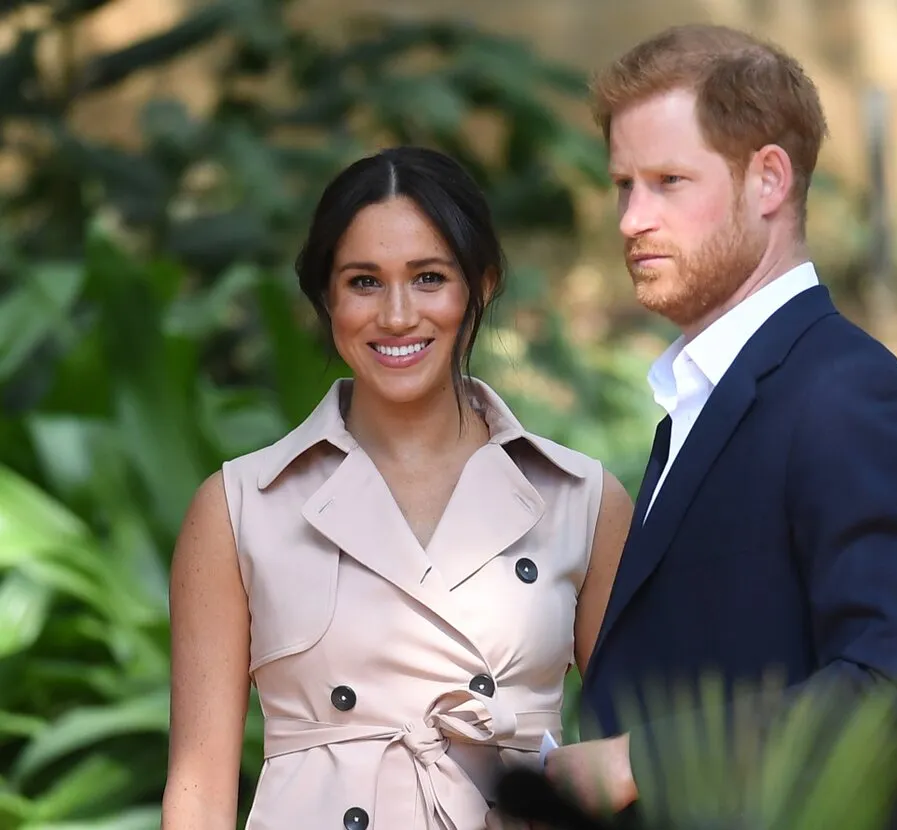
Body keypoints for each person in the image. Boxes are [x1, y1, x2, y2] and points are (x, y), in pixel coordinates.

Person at [543, 24, 897, 830]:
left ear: (767, 179)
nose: (632, 219)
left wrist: (635, 763)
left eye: (668, 181)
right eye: (622, 185)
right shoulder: (708, 395)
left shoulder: (847, 396)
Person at [160, 146, 632, 830]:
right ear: (327, 296)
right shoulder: (239, 507)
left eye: (429, 277)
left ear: (483, 285)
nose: (398, 315)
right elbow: (199, 795)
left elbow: (648, 748)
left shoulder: (580, 498)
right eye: (364, 282)